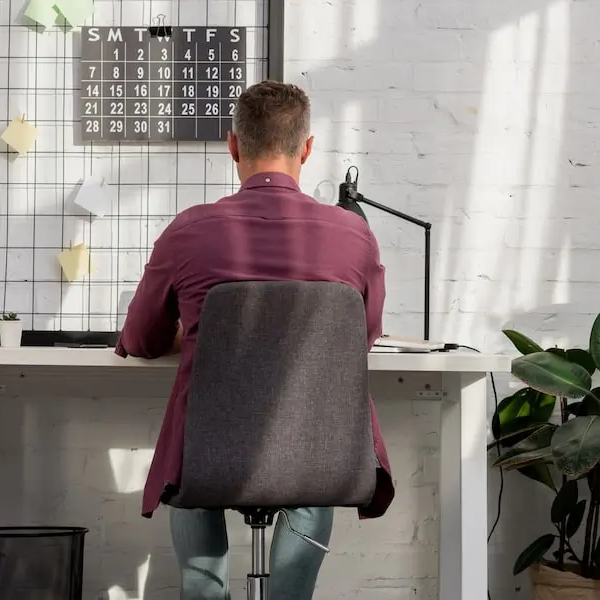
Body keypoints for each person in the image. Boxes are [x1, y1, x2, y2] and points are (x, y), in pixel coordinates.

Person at [114, 80, 395, 599]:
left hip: (208, 451)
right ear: (307, 149)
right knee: (311, 444)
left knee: (194, 454)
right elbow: (363, 336)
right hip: (319, 452)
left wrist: (196, 331)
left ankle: (205, 593)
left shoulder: (190, 231)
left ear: (234, 145)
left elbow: (141, 337)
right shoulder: (352, 234)